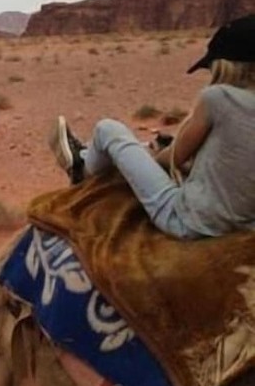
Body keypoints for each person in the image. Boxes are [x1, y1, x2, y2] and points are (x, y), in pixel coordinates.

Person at [49, 14, 255, 239]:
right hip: (245, 226)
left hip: (189, 221)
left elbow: (173, 159)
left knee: (108, 130)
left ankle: (81, 168)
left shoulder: (217, 98)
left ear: (226, 66)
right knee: (146, 147)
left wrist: (152, 157)